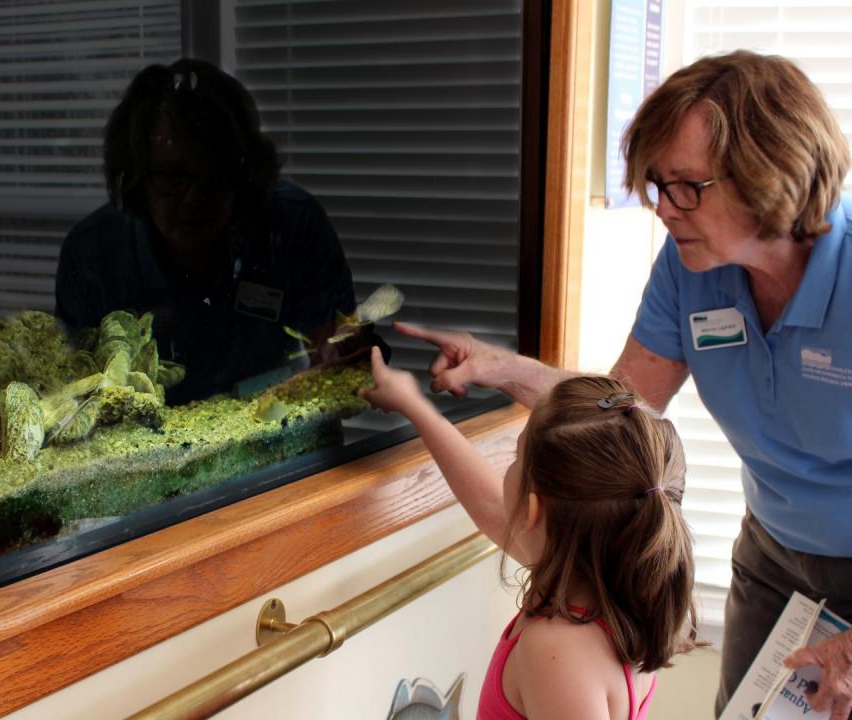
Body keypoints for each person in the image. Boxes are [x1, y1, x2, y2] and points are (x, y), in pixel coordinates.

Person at [393, 50, 852, 720]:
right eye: (657, 186)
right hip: (776, 549)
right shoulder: (693, 265)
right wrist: (503, 368)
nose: (665, 209)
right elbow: (618, 410)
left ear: (770, 172)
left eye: (687, 185)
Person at [362, 349, 700, 719]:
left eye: (516, 457)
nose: (509, 468)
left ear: (534, 510)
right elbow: (493, 506)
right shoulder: (600, 583)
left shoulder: (557, 650)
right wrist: (414, 406)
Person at [55, 58, 357, 404]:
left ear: (242, 174)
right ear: (138, 177)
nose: (194, 199)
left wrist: (347, 359)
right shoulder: (95, 251)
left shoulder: (292, 225)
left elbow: (338, 366)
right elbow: (77, 397)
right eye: (172, 177)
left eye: (213, 175)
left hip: (272, 431)